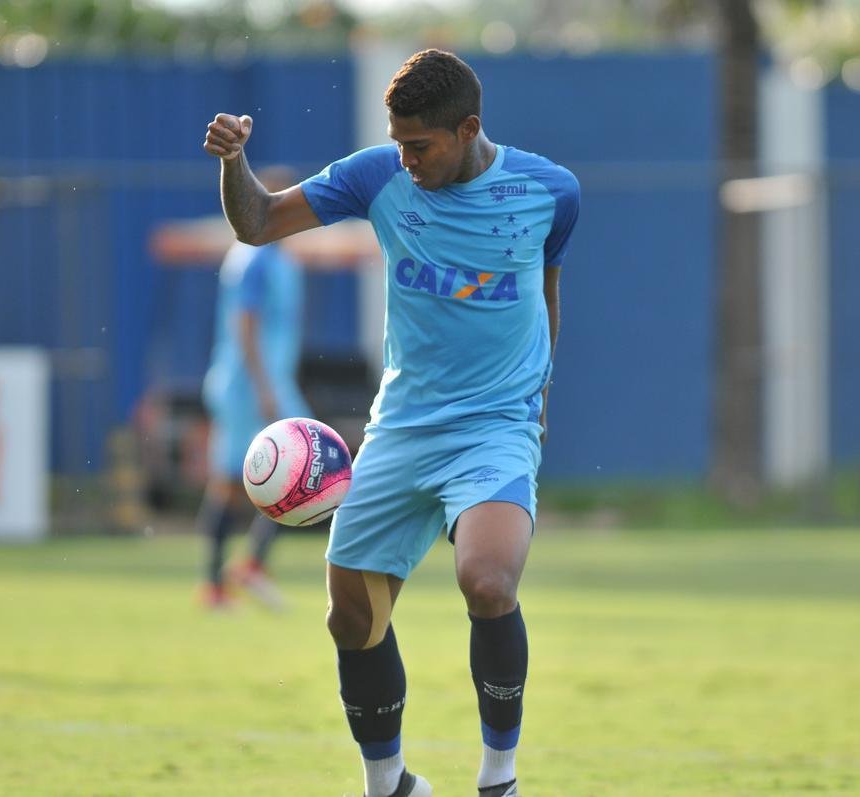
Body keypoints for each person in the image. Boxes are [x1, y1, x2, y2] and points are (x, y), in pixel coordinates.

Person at [203, 49, 579, 797]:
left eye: (420, 145)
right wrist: (234, 162)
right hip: (403, 428)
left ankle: (498, 778)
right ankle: (391, 784)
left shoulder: (550, 192)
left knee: (487, 579)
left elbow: (545, 294)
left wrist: (535, 403)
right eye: (397, 141)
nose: (405, 160)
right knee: (348, 616)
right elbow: (258, 222)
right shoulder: (377, 175)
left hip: (493, 425)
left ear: (468, 128)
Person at [197, 166, 310, 610]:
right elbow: (244, 326)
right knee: (301, 463)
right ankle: (230, 577)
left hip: (265, 383)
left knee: (294, 469)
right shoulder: (255, 258)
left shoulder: (280, 258)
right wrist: (265, 388)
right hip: (248, 387)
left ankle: (238, 573)